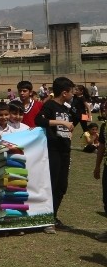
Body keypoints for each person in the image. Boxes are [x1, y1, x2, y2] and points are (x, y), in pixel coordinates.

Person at [35, 76, 78, 232]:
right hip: (53, 151)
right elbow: (38, 120)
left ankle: (53, 216)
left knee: (62, 186)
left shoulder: (66, 108)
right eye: (72, 92)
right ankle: (47, 220)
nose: (73, 94)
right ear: (65, 92)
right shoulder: (50, 105)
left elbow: (70, 123)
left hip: (65, 150)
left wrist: (68, 131)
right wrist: (62, 123)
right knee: (52, 184)